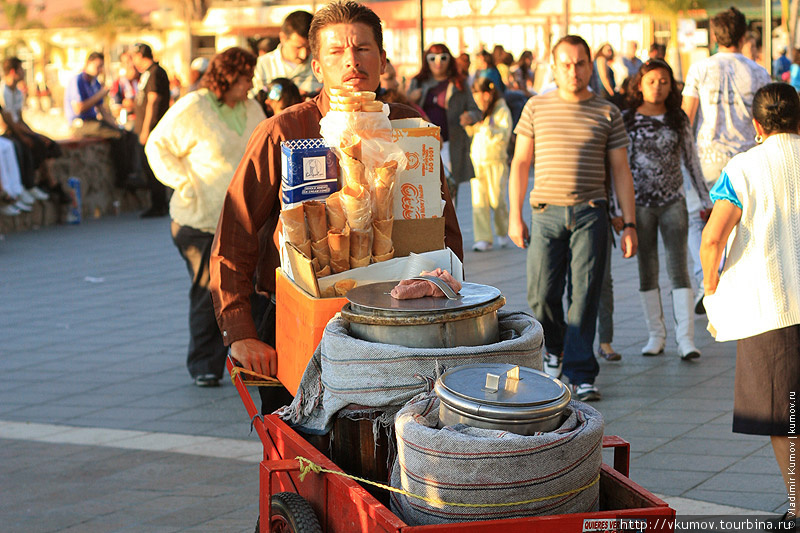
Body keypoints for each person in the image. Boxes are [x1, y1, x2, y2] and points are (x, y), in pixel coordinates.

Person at [209, 0, 463, 413]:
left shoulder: (410, 127)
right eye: (336, 52)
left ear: (382, 60)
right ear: (316, 66)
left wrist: (449, 294)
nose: (352, 62)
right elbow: (234, 234)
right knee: (305, 453)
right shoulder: (284, 131)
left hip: (397, 326)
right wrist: (240, 332)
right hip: (302, 323)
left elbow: (443, 227)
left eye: (362, 49)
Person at [508, 34, 638, 402]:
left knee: (584, 295)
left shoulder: (607, 111)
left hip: (591, 213)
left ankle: (582, 371)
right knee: (542, 293)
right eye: (565, 64)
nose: (574, 71)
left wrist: (628, 223)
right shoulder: (535, 107)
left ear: (589, 65)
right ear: (554, 66)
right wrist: (514, 217)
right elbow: (520, 163)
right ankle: (556, 349)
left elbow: (621, 170)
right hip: (545, 213)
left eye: (580, 63)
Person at [700, 83, 800, 525]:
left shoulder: (741, 169)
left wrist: (711, 284)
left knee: (786, 416)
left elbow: (713, 237)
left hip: (772, 308)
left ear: (756, 124)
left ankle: (798, 506)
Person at [146, 47, 265, 388]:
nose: (250, 84)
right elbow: (157, 145)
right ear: (227, 77)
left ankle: (248, 359)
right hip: (198, 221)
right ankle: (204, 364)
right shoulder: (194, 107)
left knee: (250, 291)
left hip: (242, 222)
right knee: (208, 291)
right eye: (245, 78)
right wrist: (184, 183)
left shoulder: (252, 108)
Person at [682, 6, 770, 312]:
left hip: (706, 157)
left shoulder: (700, 69)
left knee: (698, 220)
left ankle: (705, 278)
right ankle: (739, 280)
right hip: (746, 157)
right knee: (743, 222)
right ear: (744, 34)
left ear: (715, 35)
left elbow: (686, 116)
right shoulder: (759, 72)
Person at [624, 59, 711, 360]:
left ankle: (685, 339)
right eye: (651, 81)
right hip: (640, 204)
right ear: (640, 84)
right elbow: (620, 166)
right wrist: (619, 210)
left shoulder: (678, 118)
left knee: (679, 269)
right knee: (646, 268)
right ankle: (655, 335)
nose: (658, 87)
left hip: (675, 201)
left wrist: (706, 199)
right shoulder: (628, 119)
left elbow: (692, 161)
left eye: (664, 81)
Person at [408, 43, 480, 205]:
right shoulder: (418, 82)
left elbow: (476, 111)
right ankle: (432, 229)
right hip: (423, 146)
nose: (438, 62)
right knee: (425, 194)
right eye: (432, 58)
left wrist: (470, 116)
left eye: (443, 58)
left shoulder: (459, 83)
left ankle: (449, 230)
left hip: (449, 145)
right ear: (426, 60)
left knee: (449, 193)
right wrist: (411, 99)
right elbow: (405, 110)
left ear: (450, 60)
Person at [64, 51, 141, 191]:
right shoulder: (78, 81)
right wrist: (100, 94)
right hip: (80, 124)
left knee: (126, 134)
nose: (99, 70)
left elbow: (102, 110)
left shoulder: (95, 82)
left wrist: (117, 125)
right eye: (97, 66)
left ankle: (133, 173)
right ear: (88, 64)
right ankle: (122, 177)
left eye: (101, 67)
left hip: (93, 122)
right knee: (116, 136)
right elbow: (79, 108)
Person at [0, 56, 66, 203]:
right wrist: (25, 137)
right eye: (21, 70)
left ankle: (46, 180)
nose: (24, 72)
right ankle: (30, 185)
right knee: (23, 147)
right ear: (13, 71)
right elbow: (9, 123)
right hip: (9, 133)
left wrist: (35, 134)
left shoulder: (17, 92)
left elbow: (19, 119)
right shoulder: (3, 91)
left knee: (49, 145)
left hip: (19, 130)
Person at [464, 77, 512, 252]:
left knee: (497, 199)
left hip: (496, 161)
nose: (477, 99)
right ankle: (483, 238)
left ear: (488, 93)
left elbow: (503, 135)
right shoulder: (480, 111)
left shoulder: (501, 110)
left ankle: (502, 230)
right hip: (478, 161)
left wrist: (485, 128)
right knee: (479, 201)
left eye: (479, 94)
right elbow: (474, 133)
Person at [131, 43, 171, 218]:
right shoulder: (146, 74)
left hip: (152, 129)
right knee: (147, 167)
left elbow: (153, 101)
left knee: (152, 167)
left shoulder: (155, 73)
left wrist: (146, 129)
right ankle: (157, 203)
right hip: (143, 127)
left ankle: (159, 204)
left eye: (134, 56)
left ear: (141, 55)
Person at [252, 10, 321, 97]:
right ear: (283, 38)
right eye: (298, 47)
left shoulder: (322, 64)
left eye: (309, 48)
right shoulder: (263, 65)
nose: (303, 54)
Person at [109, 51, 138, 127]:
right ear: (122, 65)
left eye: (132, 60)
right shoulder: (118, 83)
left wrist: (132, 104)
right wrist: (128, 105)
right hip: (128, 122)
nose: (131, 64)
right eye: (127, 62)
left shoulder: (141, 79)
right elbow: (115, 110)